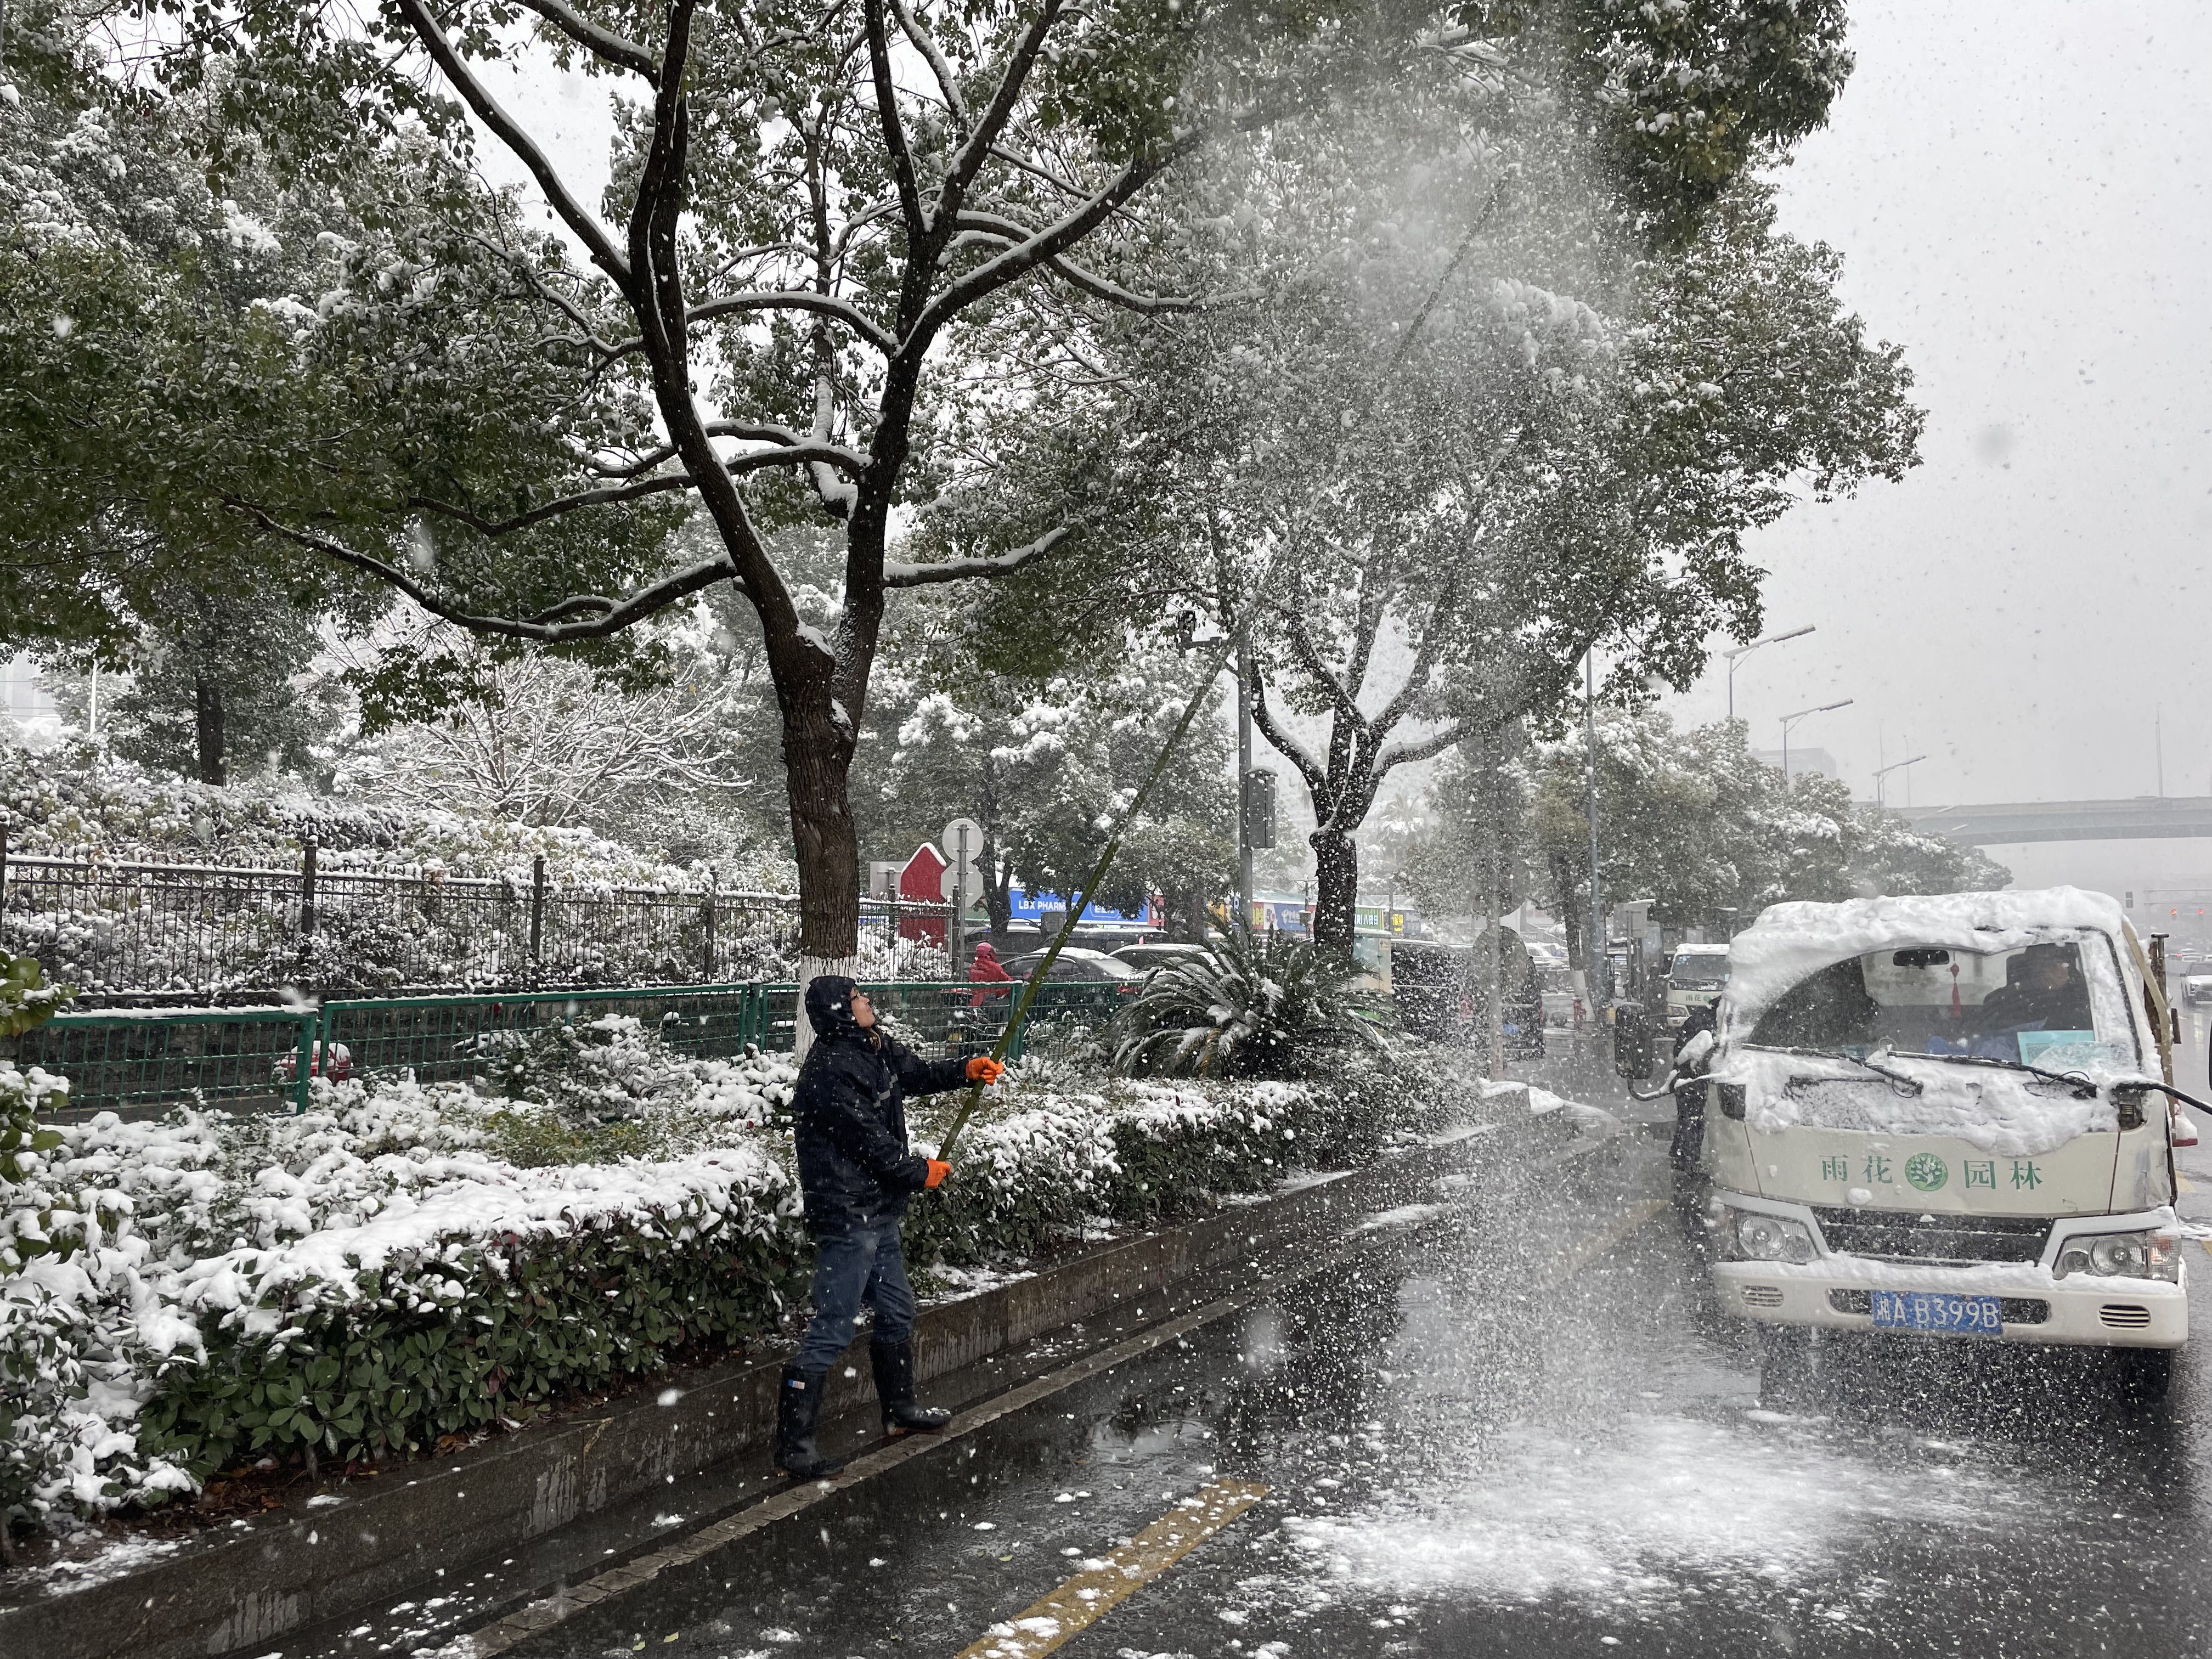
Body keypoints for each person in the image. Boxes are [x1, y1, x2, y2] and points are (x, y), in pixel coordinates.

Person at [776, 976, 1004, 1481]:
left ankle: (899, 1409)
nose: (867, 1003)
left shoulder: (872, 1045)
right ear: (840, 1011)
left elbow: (917, 1074)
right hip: (846, 1215)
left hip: (876, 1212)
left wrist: (966, 1071)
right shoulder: (829, 1072)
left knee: (898, 1310)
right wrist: (919, 1172)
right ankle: (794, 1445)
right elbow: (869, 1144)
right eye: (858, 999)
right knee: (833, 1326)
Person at [1979, 943, 2093, 1033]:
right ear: (2029, 968)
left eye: (2060, 964)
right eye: (2041, 964)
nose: (2048, 971)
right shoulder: (2001, 1001)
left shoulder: (2088, 1002)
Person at [967, 939, 1015, 1008]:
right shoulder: (994, 967)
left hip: (976, 1000)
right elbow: (1009, 981)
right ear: (990, 953)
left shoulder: (974, 966)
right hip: (991, 1000)